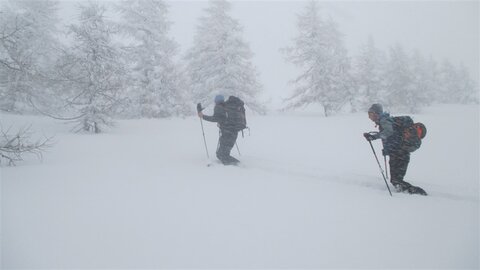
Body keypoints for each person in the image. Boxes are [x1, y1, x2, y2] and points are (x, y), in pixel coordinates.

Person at [363, 104, 422, 193]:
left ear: (377, 113)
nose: (370, 117)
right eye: (369, 115)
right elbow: (393, 137)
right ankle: (407, 192)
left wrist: (374, 137)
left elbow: (388, 132)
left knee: (396, 180)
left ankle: (416, 193)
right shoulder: (386, 120)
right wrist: (387, 149)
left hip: (399, 153)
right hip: (400, 152)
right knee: (396, 180)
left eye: (371, 114)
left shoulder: (384, 120)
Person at [198, 95, 240, 165]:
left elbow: (215, 118)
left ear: (216, 101)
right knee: (223, 154)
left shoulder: (218, 107)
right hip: (233, 133)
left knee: (221, 155)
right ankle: (237, 166)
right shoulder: (227, 107)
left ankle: (239, 166)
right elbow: (223, 119)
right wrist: (221, 123)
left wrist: (203, 116)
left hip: (227, 134)